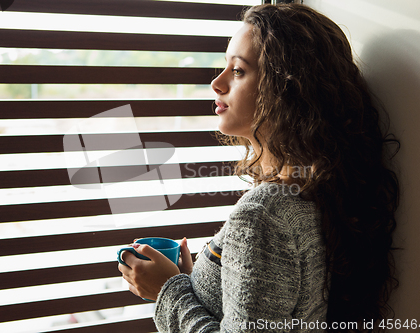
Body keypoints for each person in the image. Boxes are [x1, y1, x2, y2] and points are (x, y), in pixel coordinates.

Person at [118, 3, 399, 332]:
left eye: (238, 71)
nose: (217, 83)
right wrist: (209, 274)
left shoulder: (264, 213)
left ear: (286, 90)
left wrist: (169, 290)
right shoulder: (316, 188)